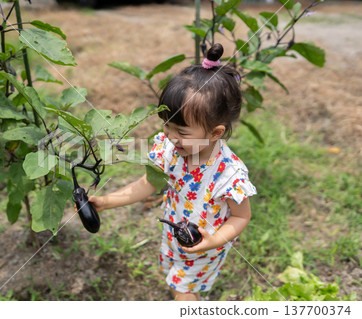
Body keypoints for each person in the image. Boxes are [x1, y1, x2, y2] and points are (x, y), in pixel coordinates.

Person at [89, 43, 257, 301]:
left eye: (182, 132)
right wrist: (106, 201)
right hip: (174, 235)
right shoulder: (170, 150)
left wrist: (213, 240)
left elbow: (240, 217)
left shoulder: (229, 176)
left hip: (205, 248)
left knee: (183, 290)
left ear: (215, 133)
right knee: (173, 277)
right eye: (167, 125)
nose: (171, 136)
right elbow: (147, 184)